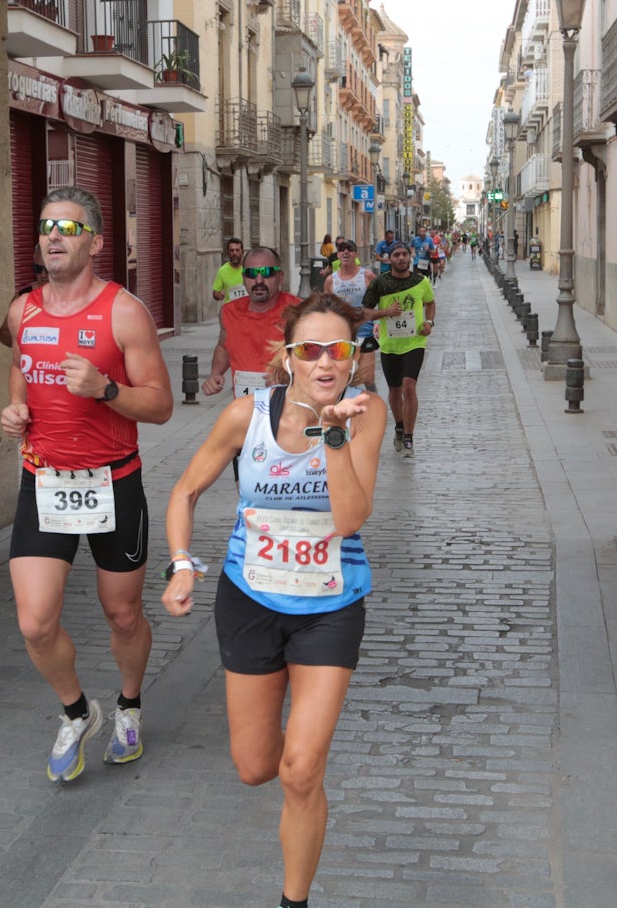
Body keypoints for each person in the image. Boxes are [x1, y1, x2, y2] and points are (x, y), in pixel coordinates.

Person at [162, 291, 386, 908]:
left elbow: (347, 519)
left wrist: (334, 438)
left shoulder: (369, 414)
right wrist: (182, 565)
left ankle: (294, 901)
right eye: (309, 350)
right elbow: (184, 491)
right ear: (287, 358)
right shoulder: (246, 415)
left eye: (337, 350)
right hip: (250, 601)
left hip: (330, 606)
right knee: (257, 766)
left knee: (301, 770)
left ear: (352, 357)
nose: (324, 362)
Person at [1, 186, 174, 783]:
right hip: (43, 482)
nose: (53, 235)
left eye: (68, 228)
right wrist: (15, 408)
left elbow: (160, 407)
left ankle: (128, 704)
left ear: (96, 242)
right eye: (47, 226)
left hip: (113, 485)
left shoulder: (124, 312)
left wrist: (105, 390)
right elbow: (21, 366)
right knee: (34, 622)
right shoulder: (23, 311)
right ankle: (77, 713)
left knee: (122, 616)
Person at [362, 243, 436, 459]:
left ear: (410, 257)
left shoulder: (421, 281)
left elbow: (430, 303)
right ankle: (399, 426)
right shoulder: (379, 283)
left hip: (415, 342)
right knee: (394, 391)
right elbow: (365, 312)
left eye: (405, 254)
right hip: (390, 344)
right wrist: (387, 311)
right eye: (397, 255)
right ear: (390, 259)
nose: (401, 258)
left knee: (409, 387)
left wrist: (429, 322)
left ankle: (409, 437)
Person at [203, 246, 301, 398]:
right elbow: (223, 346)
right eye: (251, 273)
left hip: (288, 407)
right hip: (245, 410)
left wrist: (288, 376)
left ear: (280, 276)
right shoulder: (228, 312)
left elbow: (317, 359)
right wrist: (215, 374)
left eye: (267, 273)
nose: (259, 280)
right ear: (243, 278)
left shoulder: (299, 311)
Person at [323, 239, 378, 392]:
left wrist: (378, 323)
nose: (346, 252)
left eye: (350, 249)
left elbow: (380, 301)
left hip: (365, 332)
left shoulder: (367, 276)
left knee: (368, 379)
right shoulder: (330, 280)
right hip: (342, 335)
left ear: (356, 253)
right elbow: (326, 307)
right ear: (338, 255)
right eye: (341, 250)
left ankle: (374, 409)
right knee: (346, 379)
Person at [0, 262, 50, 347]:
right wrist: (30, 341)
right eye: (38, 268)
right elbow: (4, 333)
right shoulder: (24, 296)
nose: (43, 274)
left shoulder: (72, 294)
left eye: (47, 269)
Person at [212, 237, 247, 302]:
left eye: (237, 250)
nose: (234, 253)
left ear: (242, 251)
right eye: (232, 250)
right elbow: (215, 293)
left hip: (248, 310)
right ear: (227, 252)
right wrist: (219, 295)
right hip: (231, 311)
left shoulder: (249, 267)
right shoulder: (222, 270)